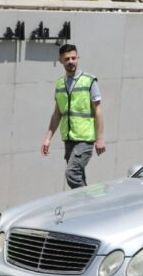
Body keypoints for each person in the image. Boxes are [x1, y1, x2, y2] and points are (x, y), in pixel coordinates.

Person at [41, 43, 105, 188]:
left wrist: (100, 138)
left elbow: (98, 110)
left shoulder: (89, 81)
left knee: (72, 173)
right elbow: (57, 114)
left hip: (85, 139)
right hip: (69, 139)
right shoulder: (59, 84)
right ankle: (85, 201)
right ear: (61, 61)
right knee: (78, 176)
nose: (71, 61)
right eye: (67, 59)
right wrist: (47, 139)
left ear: (78, 58)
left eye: (73, 58)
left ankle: (88, 200)